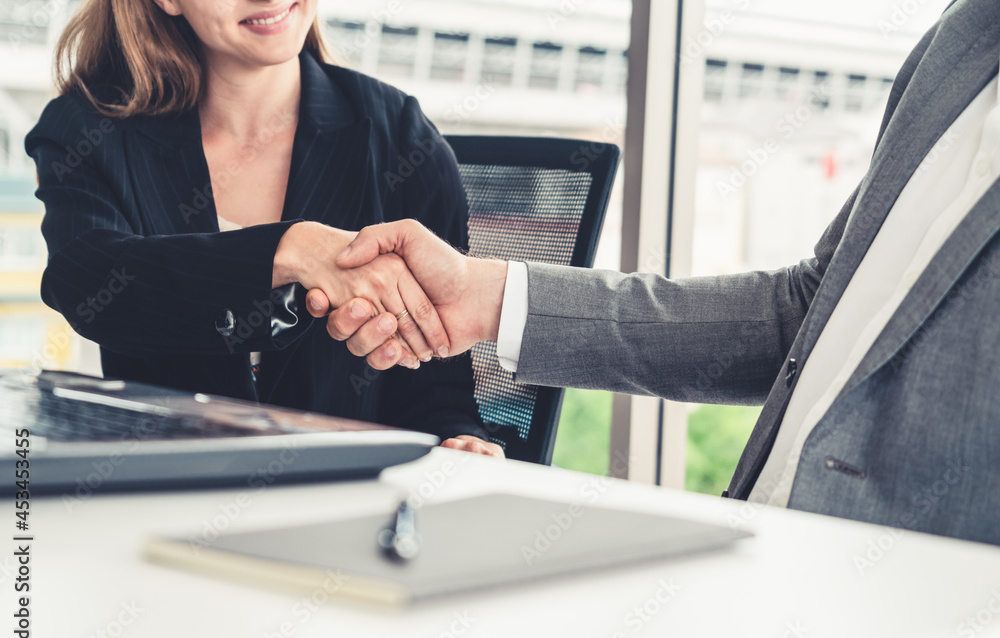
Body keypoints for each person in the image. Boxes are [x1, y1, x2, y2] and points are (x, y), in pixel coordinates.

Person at [310, 0, 1000, 546]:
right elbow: (810, 312)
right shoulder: (966, 35)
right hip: (762, 535)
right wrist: (486, 296)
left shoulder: (391, 132)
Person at [25, 0, 502, 457]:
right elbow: (87, 279)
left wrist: (459, 440)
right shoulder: (90, 128)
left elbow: (437, 390)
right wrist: (290, 249)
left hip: (337, 497)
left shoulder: (400, 136)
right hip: (160, 485)